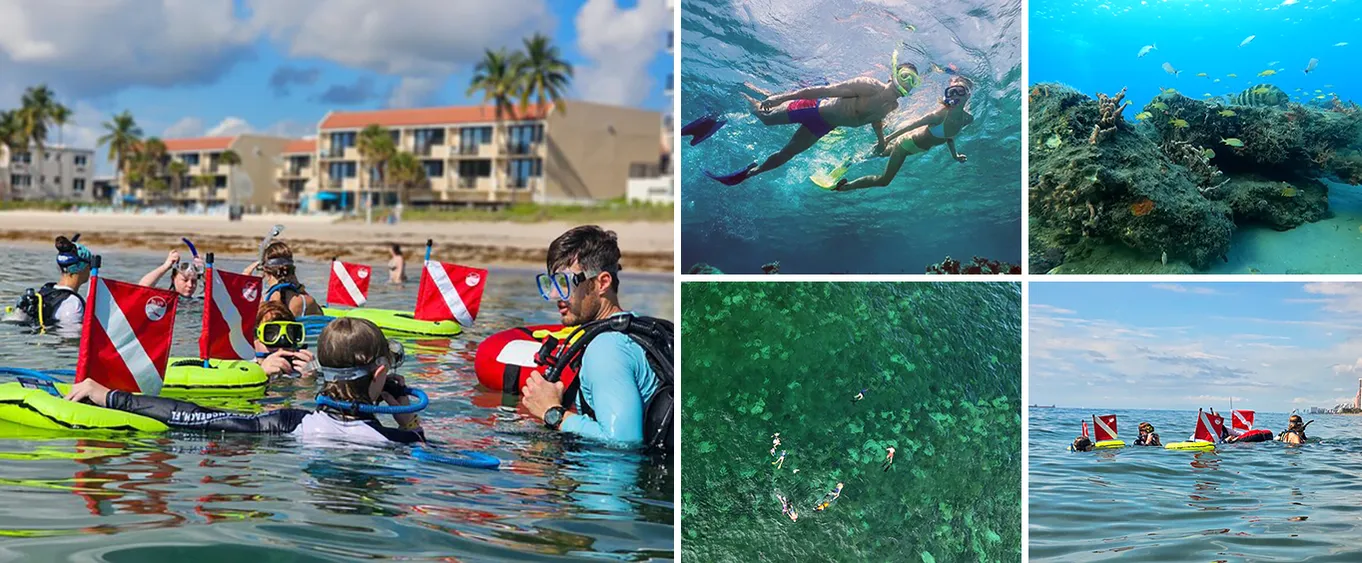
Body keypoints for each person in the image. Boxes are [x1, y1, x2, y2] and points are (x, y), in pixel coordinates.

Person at [63, 318, 423, 443]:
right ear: (380, 374)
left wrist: (111, 396)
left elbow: (193, 415)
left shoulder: (290, 422)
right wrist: (409, 420)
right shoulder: (400, 439)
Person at [520, 226, 674, 453]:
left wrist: (552, 413)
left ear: (602, 283)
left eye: (565, 283)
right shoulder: (640, 328)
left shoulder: (606, 349)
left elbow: (623, 443)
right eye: (552, 284)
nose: (554, 295)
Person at [703, 57, 923, 186]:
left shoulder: (892, 107)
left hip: (824, 126)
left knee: (788, 154)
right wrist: (781, 97)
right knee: (765, 118)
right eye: (905, 75)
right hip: (813, 109)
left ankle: (751, 172)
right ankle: (743, 92)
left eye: (912, 80)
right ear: (894, 73)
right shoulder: (868, 86)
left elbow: (876, 121)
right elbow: (822, 90)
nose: (907, 82)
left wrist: (881, 141)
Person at [833, 75, 976, 192]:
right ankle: (845, 187)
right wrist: (886, 139)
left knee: (876, 154)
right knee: (884, 181)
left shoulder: (967, 119)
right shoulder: (938, 115)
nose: (955, 96)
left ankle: (850, 161)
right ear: (947, 95)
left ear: (967, 95)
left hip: (915, 149)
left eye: (960, 91)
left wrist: (955, 155)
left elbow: (949, 137)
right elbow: (911, 126)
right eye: (952, 92)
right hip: (905, 145)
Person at [5, 235, 93, 329]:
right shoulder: (73, 304)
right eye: (90, 266)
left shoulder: (46, 291)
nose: (90, 270)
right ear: (82, 268)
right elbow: (69, 340)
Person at [244, 241, 323, 317]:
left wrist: (245, 280)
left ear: (265, 272)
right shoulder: (307, 302)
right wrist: (299, 287)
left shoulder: (260, 303)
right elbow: (321, 316)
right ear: (292, 272)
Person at [254, 301, 316, 378]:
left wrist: (309, 380)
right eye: (270, 335)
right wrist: (261, 375)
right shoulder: (240, 372)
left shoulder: (298, 370)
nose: (281, 349)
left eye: (289, 334)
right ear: (252, 341)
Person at [139, 249, 204, 299]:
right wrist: (165, 266)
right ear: (173, 278)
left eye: (194, 281)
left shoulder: (198, 301)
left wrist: (205, 271)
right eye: (185, 280)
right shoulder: (165, 298)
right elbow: (141, 289)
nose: (190, 285)